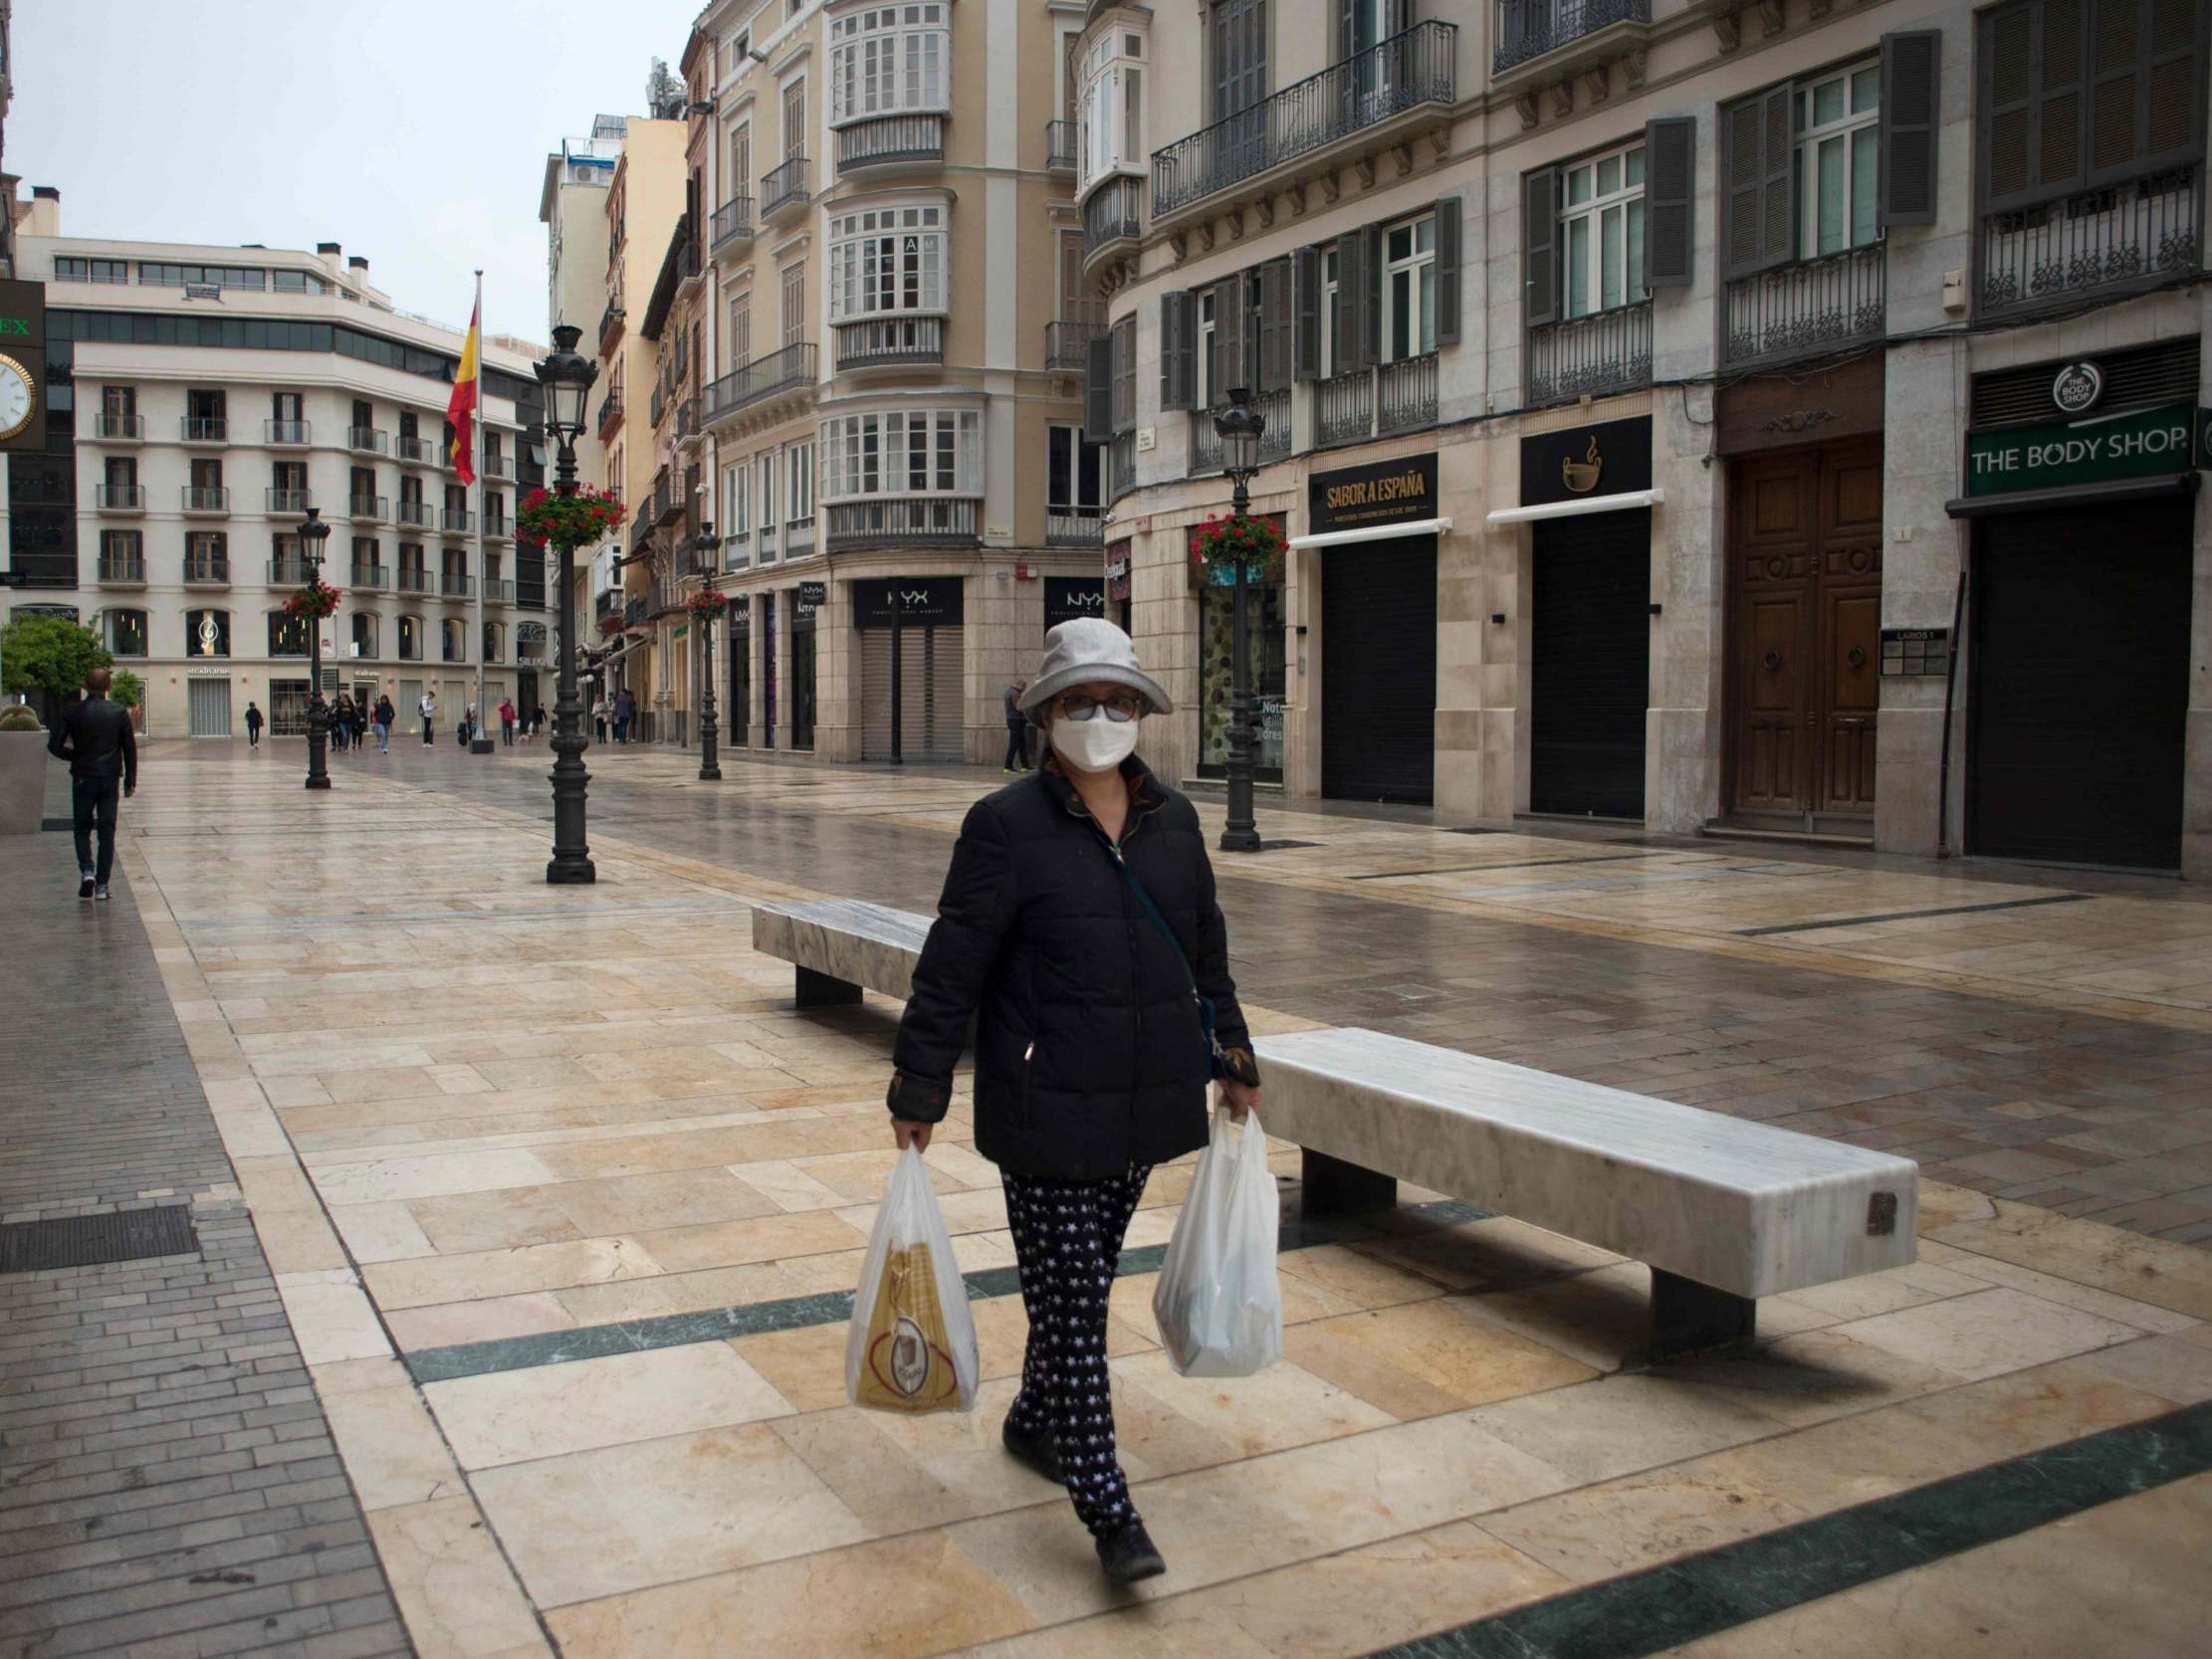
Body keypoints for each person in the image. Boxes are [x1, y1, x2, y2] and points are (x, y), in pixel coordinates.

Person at [887, 618, 1260, 1586]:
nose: (1100, 717)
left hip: (1143, 1104)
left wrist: (1232, 1048)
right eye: (1078, 702)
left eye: (1116, 701)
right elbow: (952, 964)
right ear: (1046, 717)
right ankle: (1106, 1505)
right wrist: (919, 1082)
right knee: (1077, 1305)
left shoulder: (1174, 821)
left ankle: (1029, 1418)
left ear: (1140, 711)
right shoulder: (1003, 825)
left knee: (1074, 1290)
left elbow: (1204, 945)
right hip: (1043, 1104)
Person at [48, 667, 139, 902]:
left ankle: (87, 869)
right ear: (108, 687)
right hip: (108, 777)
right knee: (107, 831)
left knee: (81, 826)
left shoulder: (73, 711)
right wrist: (130, 780)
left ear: (85, 686)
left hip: (82, 776)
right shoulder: (118, 713)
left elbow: (54, 745)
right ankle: (101, 885)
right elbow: (129, 749)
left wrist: (75, 756)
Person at [1001, 679, 1031, 773]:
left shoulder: (1008, 692)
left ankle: (1025, 766)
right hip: (1016, 721)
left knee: (1022, 744)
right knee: (1014, 744)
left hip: (1013, 720)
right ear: (1020, 685)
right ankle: (1008, 766)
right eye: (1024, 687)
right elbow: (1018, 707)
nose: (1023, 690)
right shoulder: (1015, 693)